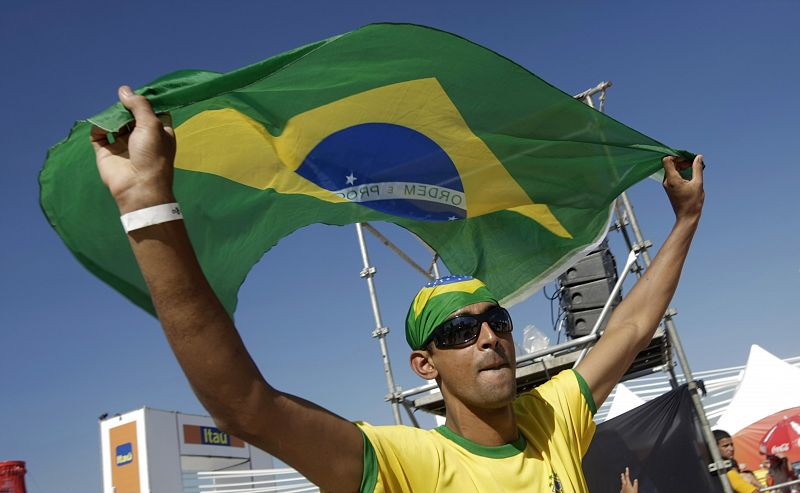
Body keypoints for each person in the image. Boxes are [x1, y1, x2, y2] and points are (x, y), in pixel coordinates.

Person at [90, 86, 705, 492]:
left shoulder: (554, 417)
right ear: (424, 364)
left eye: (498, 322)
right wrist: (148, 206)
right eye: (461, 331)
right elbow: (247, 407)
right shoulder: (407, 466)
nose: (489, 336)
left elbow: (627, 327)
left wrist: (684, 220)